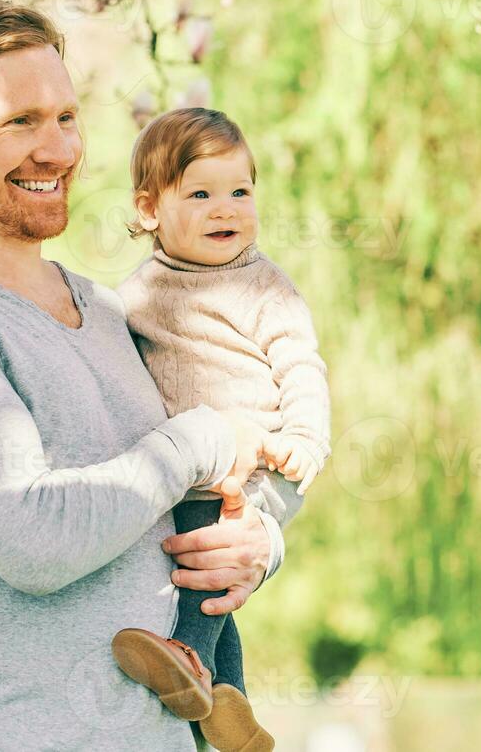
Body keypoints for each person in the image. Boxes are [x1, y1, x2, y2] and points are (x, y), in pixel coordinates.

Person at [0, 0, 289, 751]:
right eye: (19, 122)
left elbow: (203, 482)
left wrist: (257, 544)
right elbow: (32, 540)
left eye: (65, 118)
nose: (56, 150)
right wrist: (200, 439)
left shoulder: (103, 305)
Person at [110, 107, 331, 752]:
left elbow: (301, 365)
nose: (224, 209)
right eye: (200, 194)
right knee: (209, 583)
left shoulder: (264, 287)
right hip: (187, 475)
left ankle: (183, 658)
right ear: (150, 210)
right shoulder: (138, 291)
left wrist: (305, 438)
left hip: (261, 466)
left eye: (239, 191)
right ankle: (230, 715)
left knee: (203, 572)